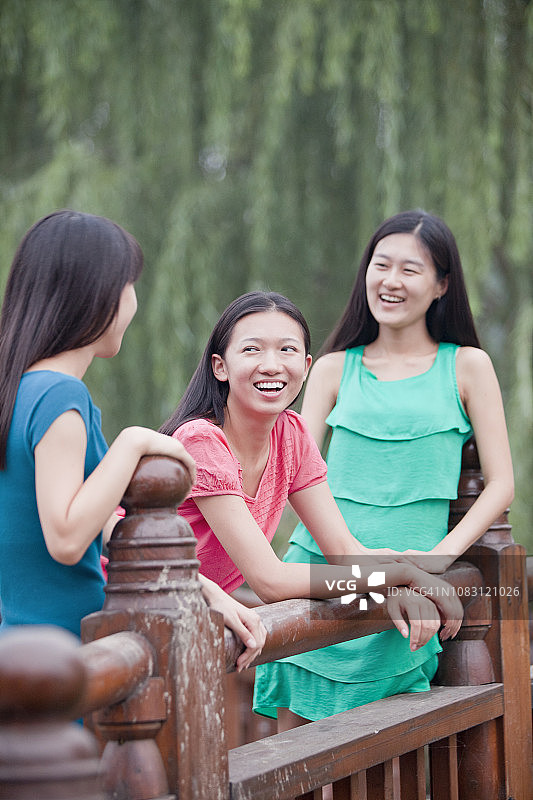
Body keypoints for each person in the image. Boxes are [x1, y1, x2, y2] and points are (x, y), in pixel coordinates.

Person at [253, 210, 514, 729]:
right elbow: (295, 477)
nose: (391, 281)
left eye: (410, 270)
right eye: (381, 265)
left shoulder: (466, 366)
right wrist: (375, 576)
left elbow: (502, 485)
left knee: (388, 756)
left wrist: (435, 561)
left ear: (442, 285)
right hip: (326, 572)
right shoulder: (329, 369)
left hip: (413, 581)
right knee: (294, 762)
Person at [0, 210, 265, 672]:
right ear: (96, 293)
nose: (134, 301)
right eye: (130, 285)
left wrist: (208, 592)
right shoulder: (60, 395)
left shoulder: (18, 390)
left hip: (26, 649)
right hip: (70, 652)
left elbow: (111, 533)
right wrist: (132, 442)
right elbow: (65, 537)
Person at [160, 290, 464, 686]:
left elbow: (343, 552)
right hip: (124, 594)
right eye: (252, 350)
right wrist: (401, 575)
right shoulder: (202, 440)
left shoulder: (292, 433)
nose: (272, 366)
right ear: (220, 366)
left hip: (185, 609)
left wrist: (399, 582)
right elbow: (269, 581)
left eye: (287, 350)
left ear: (305, 366)